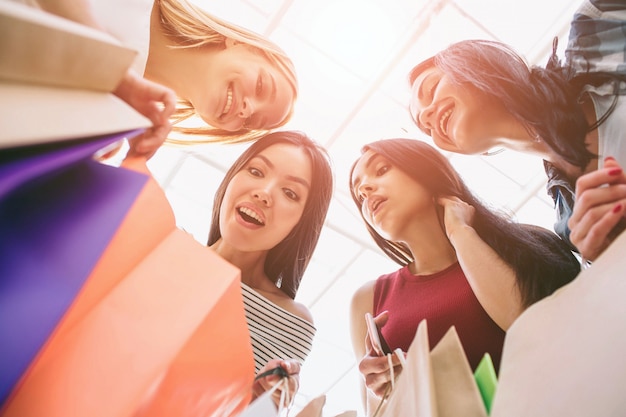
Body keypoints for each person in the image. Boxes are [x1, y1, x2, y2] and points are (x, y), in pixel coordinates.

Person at [348, 139, 581, 416]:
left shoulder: (527, 243)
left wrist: (461, 234)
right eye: (359, 194)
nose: (365, 189)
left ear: (427, 172)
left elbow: (529, 325)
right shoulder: (368, 299)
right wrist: (386, 385)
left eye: (382, 169)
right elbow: (375, 411)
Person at [406, 0, 626, 253]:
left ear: (478, 64)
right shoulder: (570, 224)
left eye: (431, 90)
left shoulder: (600, 28)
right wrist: (606, 257)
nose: (427, 115)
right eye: (425, 126)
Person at [28, 0, 299, 157]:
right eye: (262, 86)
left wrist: (79, 155)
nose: (247, 110)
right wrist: (115, 75)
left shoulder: (119, 124)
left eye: (250, 122)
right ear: (242, 44)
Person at [206, 130, 334, 405]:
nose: (263, 193)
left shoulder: (291, 323)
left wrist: (259, 406)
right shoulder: (163, 251)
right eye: (255, 171)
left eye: (289, 193)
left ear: (300, 223)